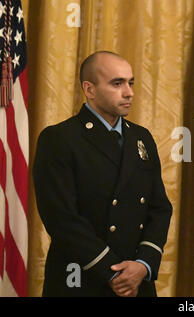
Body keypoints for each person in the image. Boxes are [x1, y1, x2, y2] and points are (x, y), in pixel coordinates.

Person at [33, 51, 172, 297]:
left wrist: (143, 265)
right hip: (82, 278)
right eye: (117, 83)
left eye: (131, 83)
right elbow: (61, 217)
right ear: (90, 89)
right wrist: (113, 272)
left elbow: (159, 208)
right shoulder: (59, 139)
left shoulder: (142, 138)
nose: (129, 92)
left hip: (136, 281)